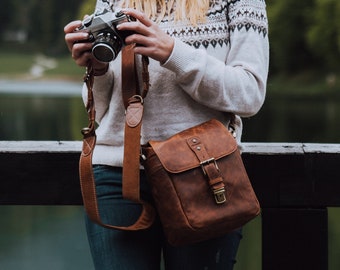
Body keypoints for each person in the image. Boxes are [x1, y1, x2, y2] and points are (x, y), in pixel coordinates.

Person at [64, 0, 269, 269]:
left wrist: (173, 53)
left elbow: (249, 94)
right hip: (118, 176)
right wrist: (97, 67)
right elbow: (103, 111)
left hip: (204, 175)